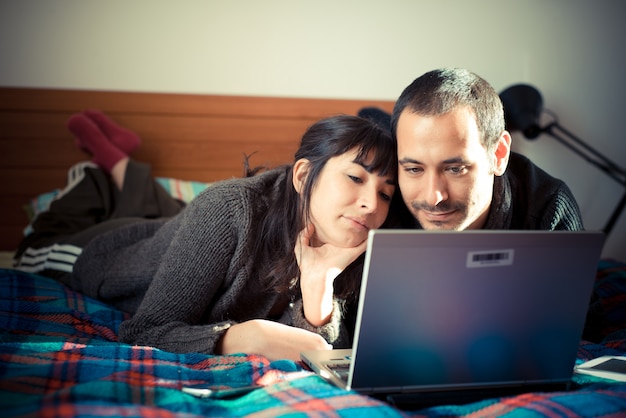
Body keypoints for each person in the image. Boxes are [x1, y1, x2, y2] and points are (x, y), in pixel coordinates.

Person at [13, 111, 398, 361]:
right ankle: (104, 171)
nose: (370, 204)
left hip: (174, 230)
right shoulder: (229, 208)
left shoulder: (352, 237)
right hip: (96, 256)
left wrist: (319, 288)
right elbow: (145, 330)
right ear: (302, 176)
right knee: (44, 237)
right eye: (354, 177)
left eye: (385, 192)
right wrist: (242, 338)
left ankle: (123, 166)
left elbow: (322, 346)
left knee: (165, 212)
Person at [388, 67, 583, 231]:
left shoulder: (549, 209)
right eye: (414, 169)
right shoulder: (377, 202)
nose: (433, 197)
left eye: (455, 169)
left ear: (499, 154)